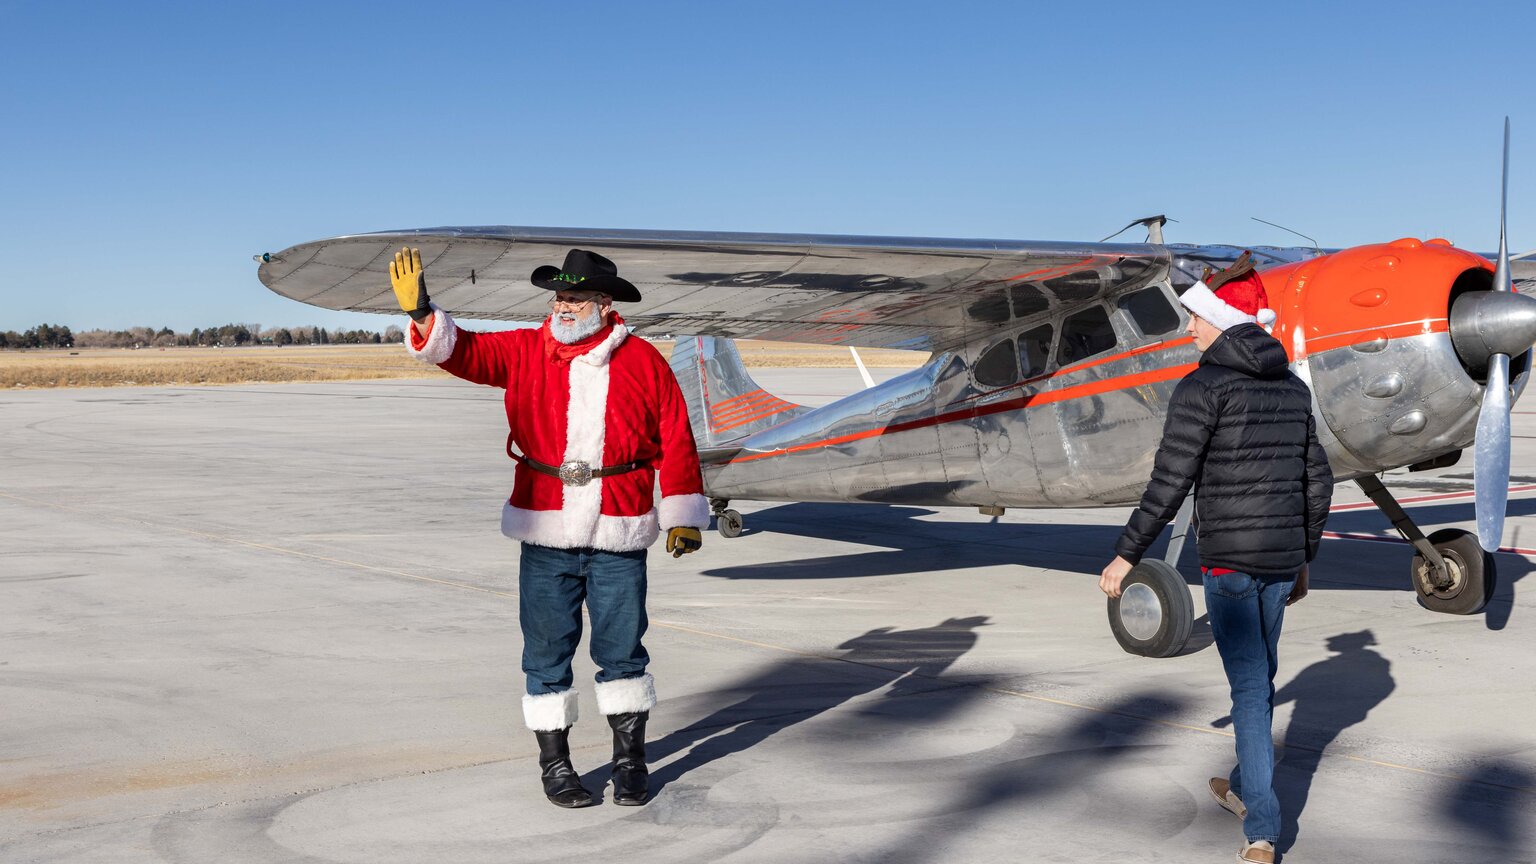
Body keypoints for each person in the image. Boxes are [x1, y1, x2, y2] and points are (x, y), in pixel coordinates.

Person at [392, 246, 710, 808]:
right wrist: (423, 315)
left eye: (576, 298)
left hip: (618, 528)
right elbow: (464, 352)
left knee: (623, 653)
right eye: (559, 297)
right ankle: (556, 766)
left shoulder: (644, 361)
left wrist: (681, 513)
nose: (563, 306)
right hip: (545, 529)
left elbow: (676, 436)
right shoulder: (523, 349)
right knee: (545, 654)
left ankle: (630, 763)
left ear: (605, 304)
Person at [1098, 253, 1333, 864]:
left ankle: (1262, 831)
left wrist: (1126, 555)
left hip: (1229, 563)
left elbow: (1170, 481)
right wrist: (1303, 554)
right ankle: (1244, 787)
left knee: (1251, 690)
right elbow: (1316, 479)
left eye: (1196, 318)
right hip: (1280, 561)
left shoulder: (1201, 388)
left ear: (1222, 321)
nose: (1188, 329)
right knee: (1260, 682)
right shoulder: (1293, 387)